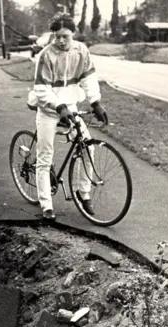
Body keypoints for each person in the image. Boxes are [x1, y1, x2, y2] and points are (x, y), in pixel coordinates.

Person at [27, 12, 108, 221]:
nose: (61, 41)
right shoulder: (46, 54)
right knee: (45, 156)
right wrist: (58, 106)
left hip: (70, 107)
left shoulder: (81, 51)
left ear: (73, 33)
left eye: (65, 36)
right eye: (57, 36)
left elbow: (89, 78)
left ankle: (83, 192)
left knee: (88, 146)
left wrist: (96, 102)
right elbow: (41, 88)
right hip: (48, 109)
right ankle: (46, 205)